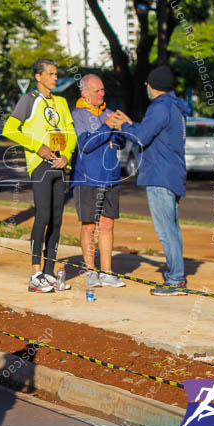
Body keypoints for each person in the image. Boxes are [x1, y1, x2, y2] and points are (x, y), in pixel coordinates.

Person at [116, 65, 192, 296]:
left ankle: (176, 280)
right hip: (173, 173)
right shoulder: (176, 107)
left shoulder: (160, 107)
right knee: (172, 229)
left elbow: (140, 137)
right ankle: (176, 276)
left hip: (160, 175)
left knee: (166, 231)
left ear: (152, 86)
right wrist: (131, 123)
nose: (146, 89)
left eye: (147, 84)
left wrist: (125, 125)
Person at [3, 59, 77, 293]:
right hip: (40, 165)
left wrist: (66, 155)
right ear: (38, 76)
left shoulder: (62, 102)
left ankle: (49, 271)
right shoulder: (29, 99)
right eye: (51, 74)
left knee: (57, 219)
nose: (55, 77)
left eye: (56, 74)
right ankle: (35, 273)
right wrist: (38, 147)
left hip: (59, 166)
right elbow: (10, 129)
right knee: (43, 215)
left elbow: (71, 133)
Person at [70, 75, 127, 289]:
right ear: (85, 94)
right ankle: (90, 271)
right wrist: (106, 127)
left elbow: (120, 142)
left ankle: (107, 272)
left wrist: (120, 128)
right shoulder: (78, 114)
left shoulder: (108, 112)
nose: (102, 94)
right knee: (89, 226)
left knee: (108, 224)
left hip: (110, 177)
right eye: (97, 91)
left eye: (103, 90)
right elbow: (86, 143)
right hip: (87, 179)